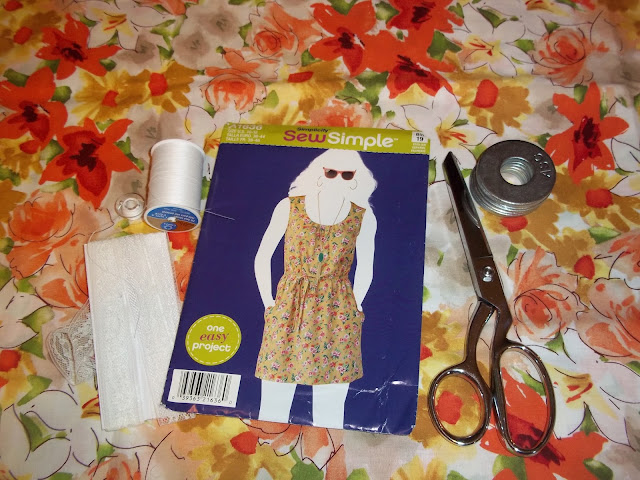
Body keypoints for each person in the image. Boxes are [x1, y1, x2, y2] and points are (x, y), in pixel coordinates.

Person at [254, 149, 377, 428]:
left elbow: (366, 267)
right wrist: (268, 303)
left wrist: (355, 307)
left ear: (356, 178)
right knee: (273, 401)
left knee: (330, 409)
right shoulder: (289, 207)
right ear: (319, 172)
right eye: (331, 171)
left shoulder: (363, 217)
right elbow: (263, 256)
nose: (337, 178)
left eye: (346, 174)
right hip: (289, 305)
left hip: (337, 311)